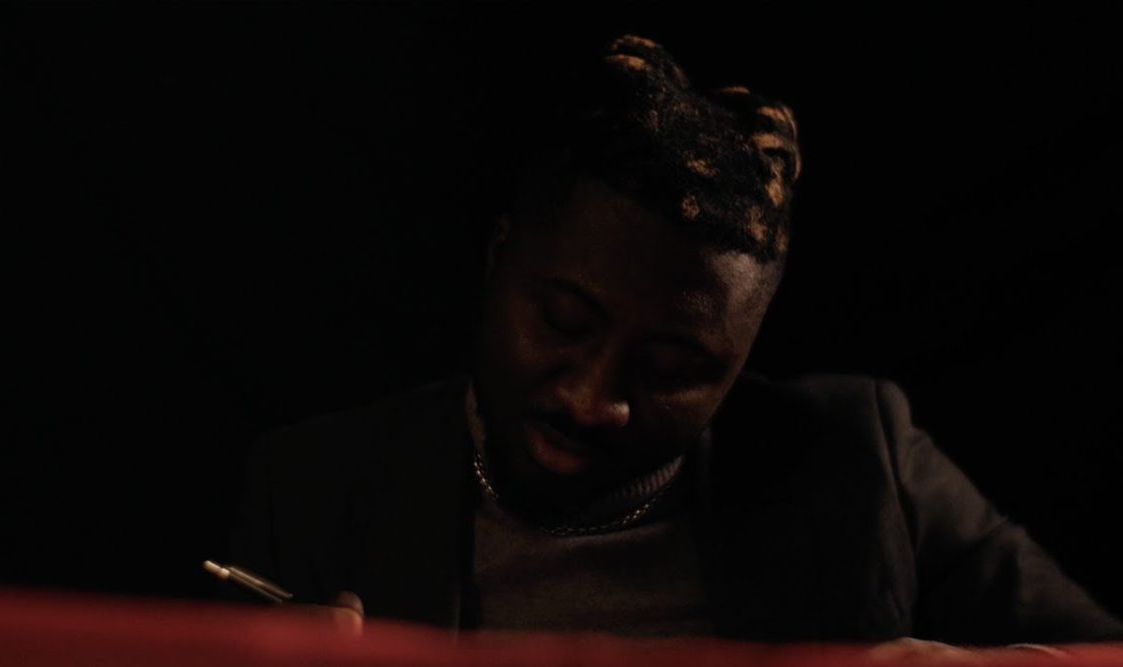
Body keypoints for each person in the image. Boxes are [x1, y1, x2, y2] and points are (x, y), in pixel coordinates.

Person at [224, 34, 1123, 645]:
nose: (593, 400)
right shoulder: (316, 489)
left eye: (673, 366)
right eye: (565, 322)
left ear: (740, 359)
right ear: (498, 259)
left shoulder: (860, 458)